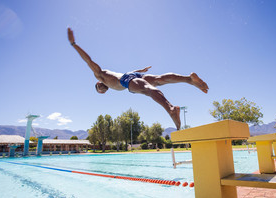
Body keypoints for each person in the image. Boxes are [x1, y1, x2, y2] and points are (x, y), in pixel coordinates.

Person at [67, 28, 209, 130]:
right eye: (102, 92)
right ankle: (189, 79)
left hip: (127, 80)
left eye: (99, 89)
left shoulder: (100, 75)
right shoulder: (110, 79)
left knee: (148, 90)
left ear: (98, 83)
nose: (102, 90)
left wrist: (74, 45)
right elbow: (128, 73)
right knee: (159, 79)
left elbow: (88, 60)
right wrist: (140, 71)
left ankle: (171, 108)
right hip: (133, 76)